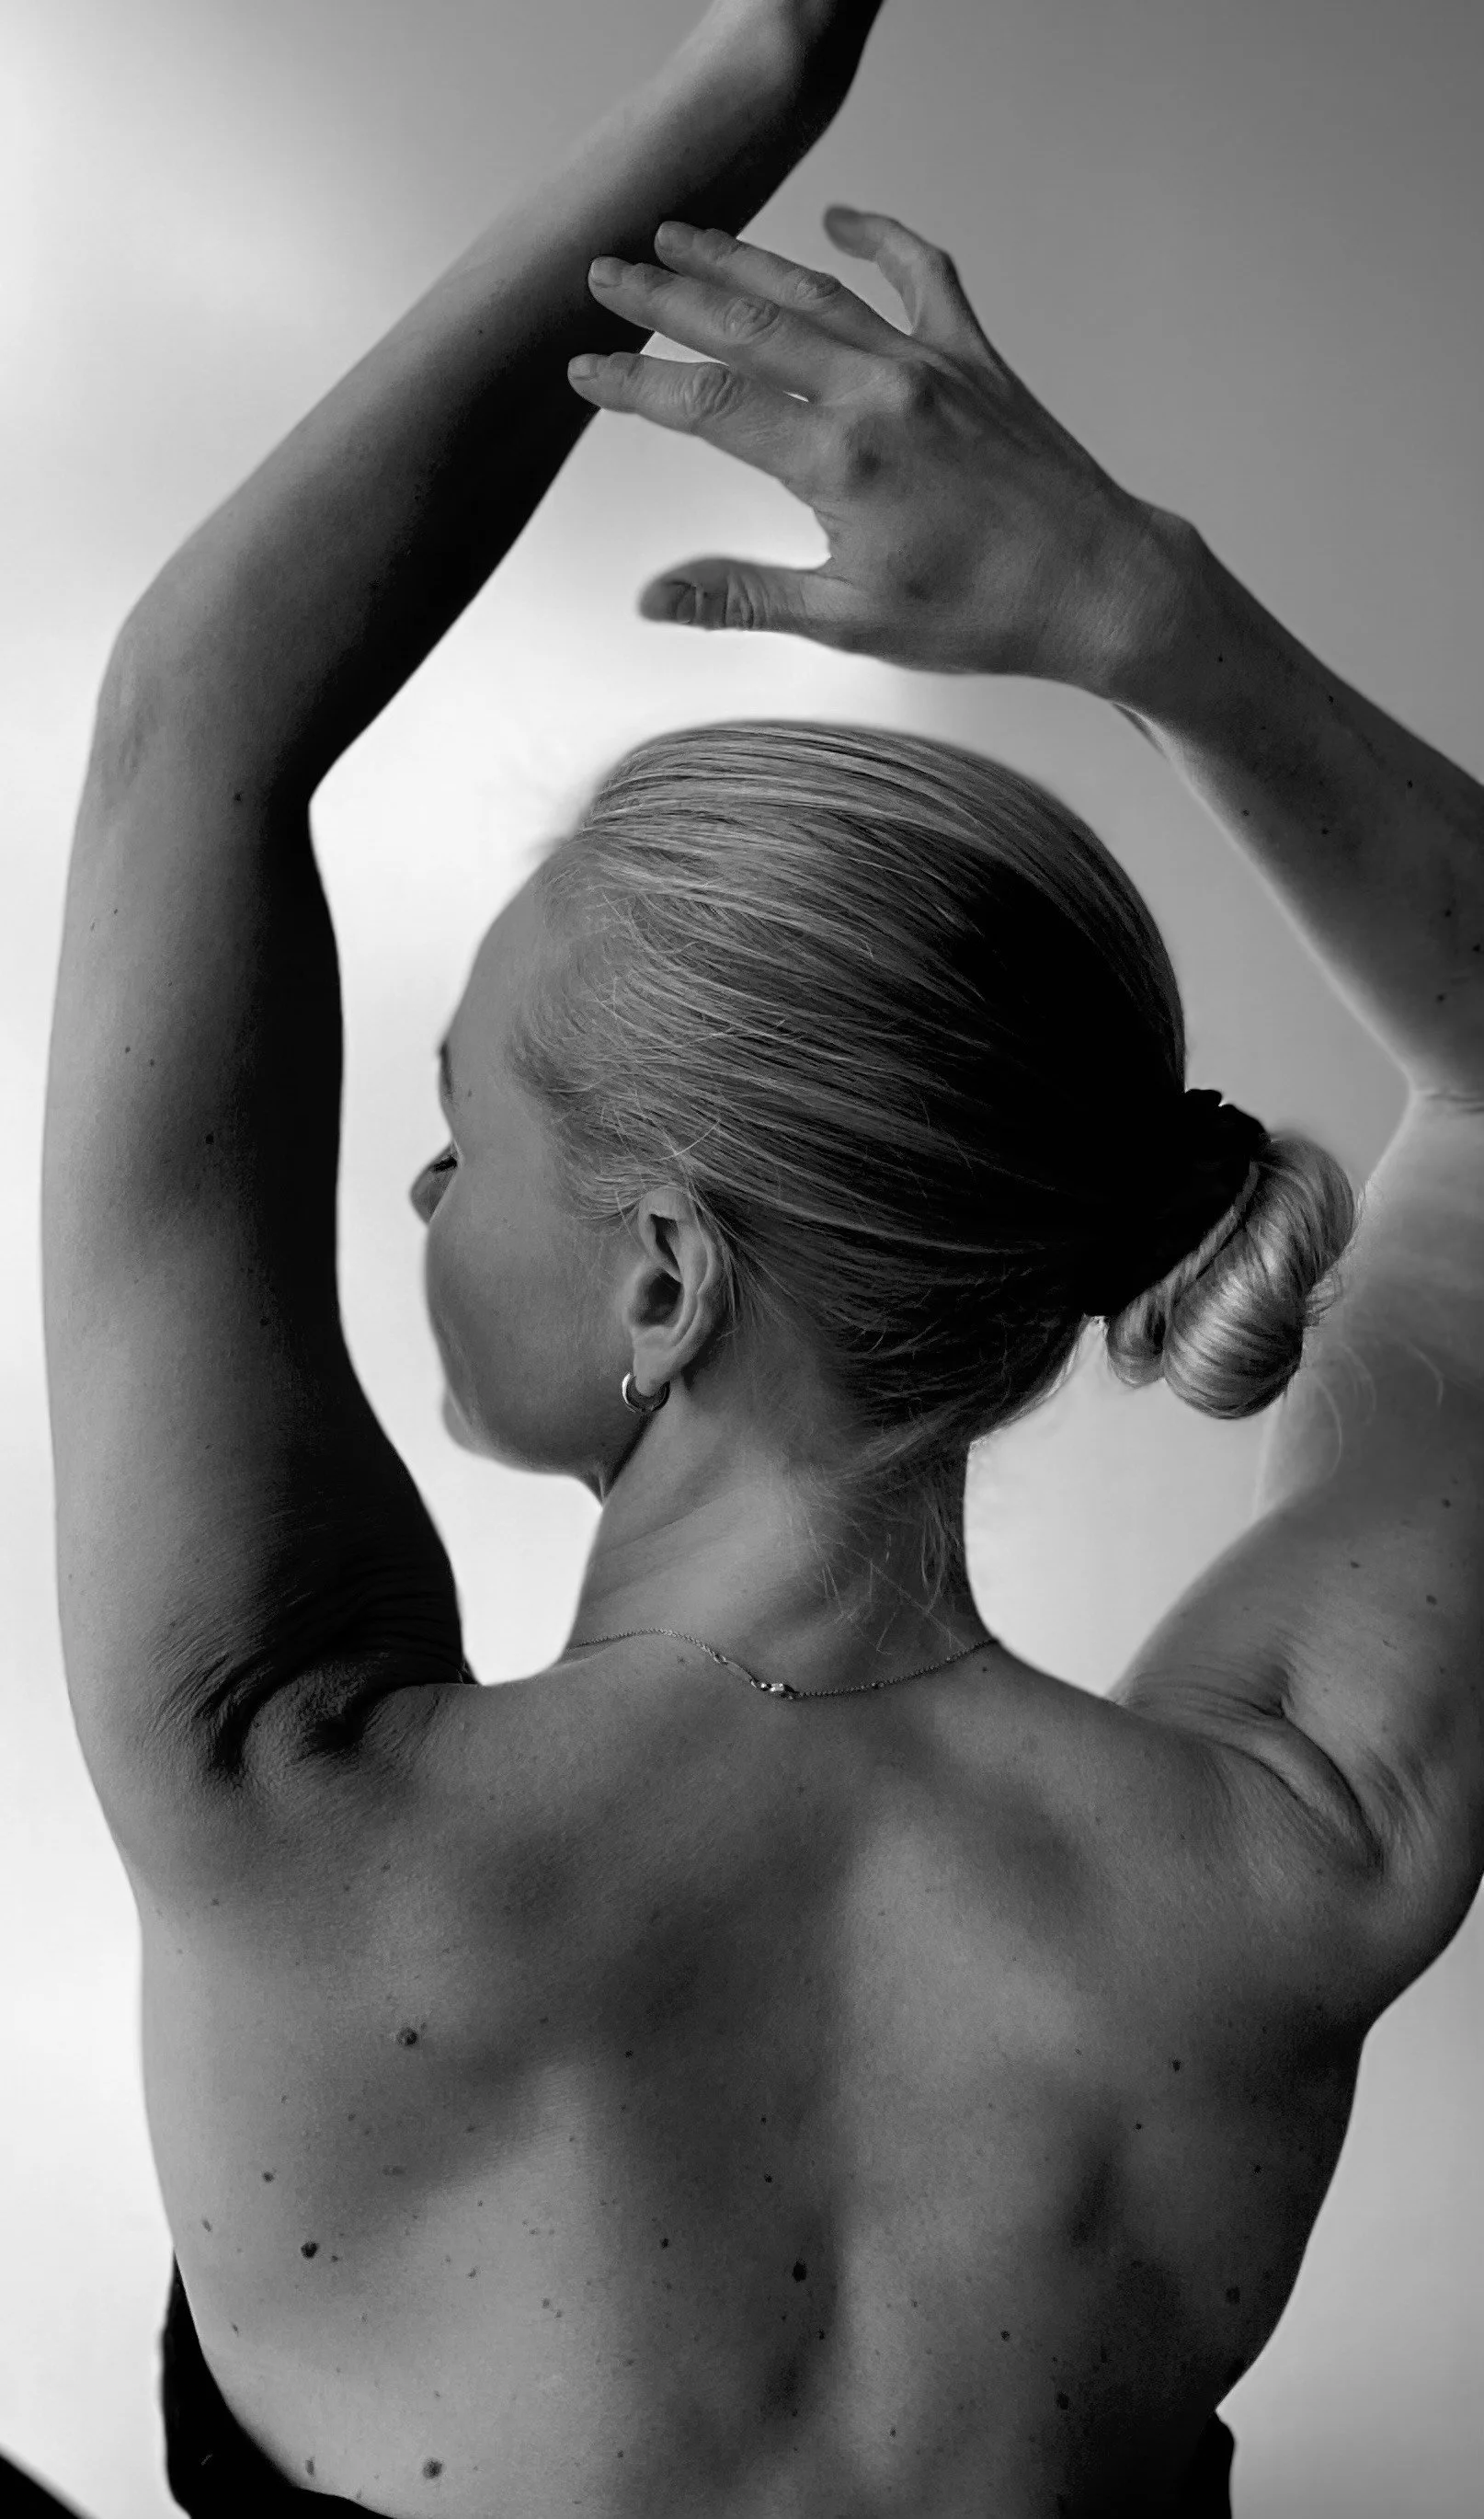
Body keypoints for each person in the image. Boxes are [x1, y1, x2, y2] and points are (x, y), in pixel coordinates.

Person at [40, 0, 1483, 2512]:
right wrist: (1146, 618)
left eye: (457, 1130)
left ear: (666, 1283)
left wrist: (748, 66)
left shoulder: (281, 1798)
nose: (414, 1194)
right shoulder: (1296, 1854)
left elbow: (195, 715)